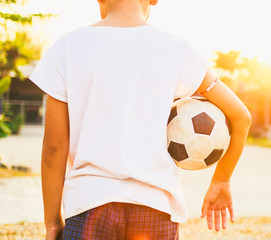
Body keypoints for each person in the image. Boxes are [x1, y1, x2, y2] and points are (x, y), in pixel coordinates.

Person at [29, 0, 251, 239]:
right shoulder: (176, 50)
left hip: (89, 205)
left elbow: (54, 148)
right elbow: (241, 116)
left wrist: (53, 222)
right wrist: (222, 181)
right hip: (155, 208)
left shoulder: (67, 48)